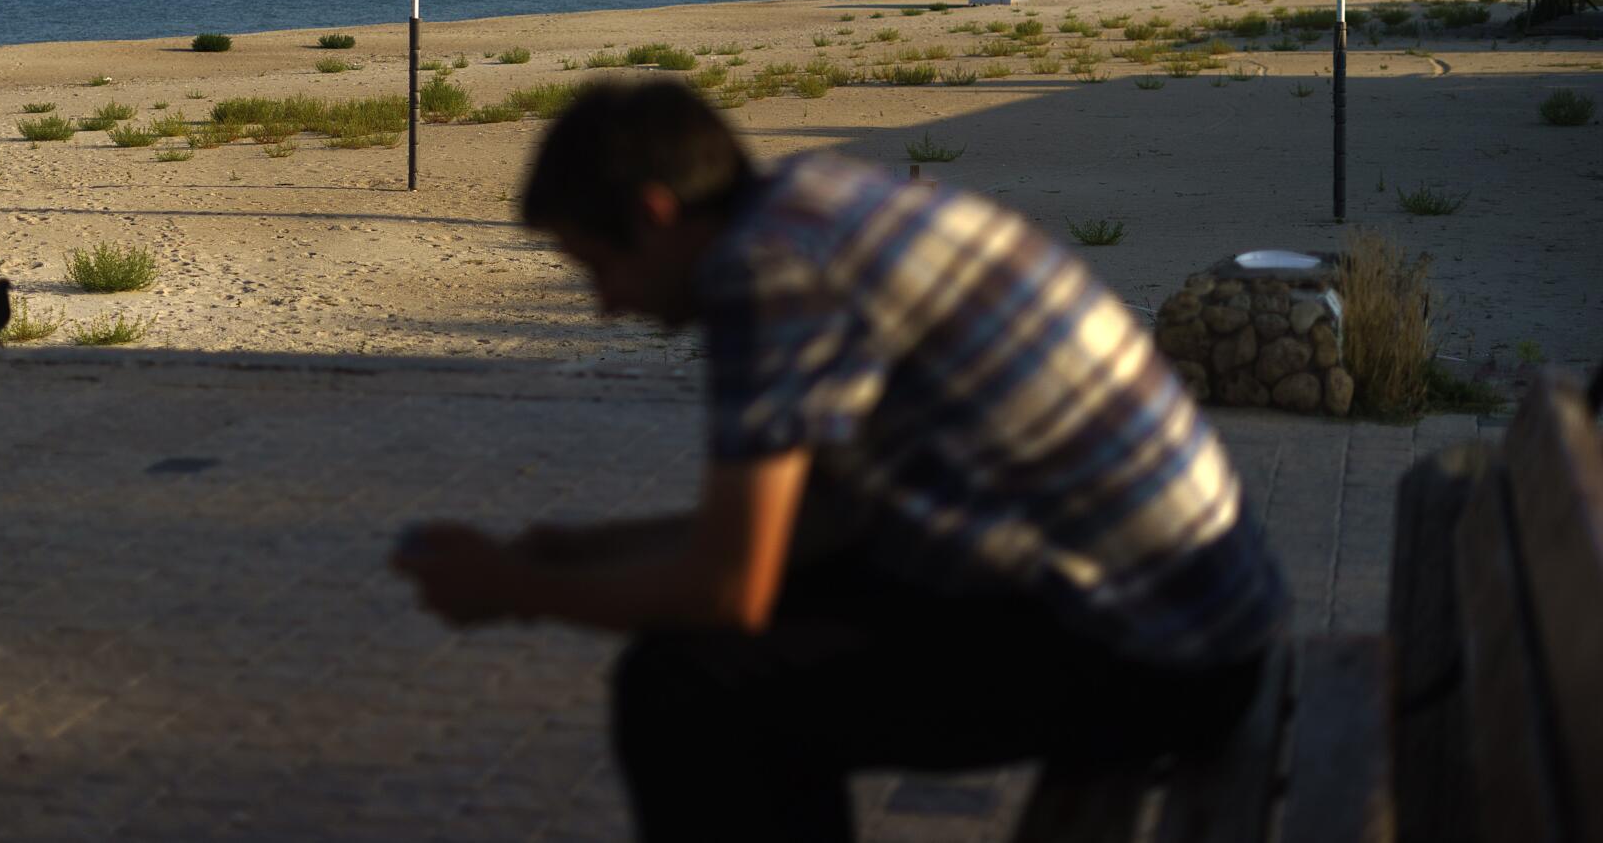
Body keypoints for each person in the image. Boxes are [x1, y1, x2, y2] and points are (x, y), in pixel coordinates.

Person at [392, 81, 1288, 843]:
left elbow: (729, 588)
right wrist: (570, 550)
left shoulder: (766, 270)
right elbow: (813, 525)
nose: (604, 305)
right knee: (732, 663)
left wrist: (512, 587)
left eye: (597, 267)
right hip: (1203, 609)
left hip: (1161, 654)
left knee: (686, 691)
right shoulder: (812, 200)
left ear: (653, 215)